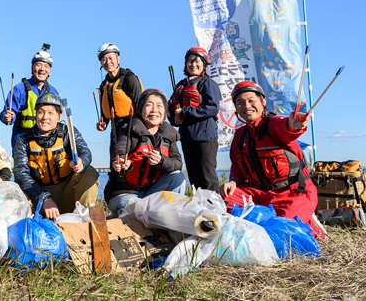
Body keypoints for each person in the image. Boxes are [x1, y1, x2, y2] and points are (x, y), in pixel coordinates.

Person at [216, 80, 323, 237]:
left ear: (263, 101)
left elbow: (286, 127)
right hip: (259, 194)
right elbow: (237, 166)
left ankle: (309, 222)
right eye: (240, 103)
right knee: (215, 203)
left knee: (282, 230)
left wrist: (294, 124)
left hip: (292, 192)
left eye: (251, 100)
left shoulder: (273, 124)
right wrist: (232, 181)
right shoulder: (239, 136)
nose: (246, 106)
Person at [13, 92, 99, 219]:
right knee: (16, 193)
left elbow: (85, 151)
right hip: (38, 198)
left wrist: (81, 162)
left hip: (66, 193)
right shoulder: (23, 140)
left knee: (89, 173)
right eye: (41, 112)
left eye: (50, 113)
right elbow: (21, 174)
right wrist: (43, 197)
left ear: (59, 116)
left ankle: (84, 217)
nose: (45, 117)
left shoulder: (68, 132)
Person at [105, 89, 186, 216]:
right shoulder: (128, 129)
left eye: (159, 106)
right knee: (137, 209)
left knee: (177, 176)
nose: (154, 110)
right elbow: (120, 150)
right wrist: (121, 162)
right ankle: (133, 215)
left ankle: (173, 216)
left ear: (165, 112)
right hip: (124, 193)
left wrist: (161, 161)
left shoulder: (169, 134)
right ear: (140, 109)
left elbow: (177, 163)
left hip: (152, 192)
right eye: (149, 105)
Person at [167, 47, 221, 191]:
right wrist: (174, 119)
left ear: (204, 65)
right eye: (190, 61)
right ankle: (199, 209)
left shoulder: (208, 83)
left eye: (197, 61)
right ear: (185, 64)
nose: (193, 64)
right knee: (194, 178)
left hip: (205, 137)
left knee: (207, 176)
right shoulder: (180, 85)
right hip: (187, 137)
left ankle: (216, 208)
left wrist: (184, 112)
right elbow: (171, 108)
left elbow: (212, 107)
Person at [0, 44, 59, 148]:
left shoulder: (53, 92)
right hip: (22, 142)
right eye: (39, 64)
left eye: (46, 66)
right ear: (32, 67)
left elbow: (58, 116)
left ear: (49, 70)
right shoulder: (19, 89)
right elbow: (6, 113)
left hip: (46, 143)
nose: (42, 69)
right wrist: (8, 116)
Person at [95, 43, 144, 157]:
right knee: (115, 164)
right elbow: (104, 113)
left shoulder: (129, 78)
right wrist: (103, 124)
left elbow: (140, 105)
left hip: (132, 127)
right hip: (115, 130)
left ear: (118, 59)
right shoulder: (103, 85)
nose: (107, 62)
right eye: (104, 59)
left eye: (110, 58)